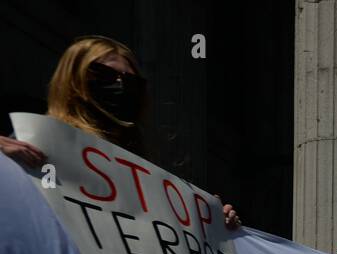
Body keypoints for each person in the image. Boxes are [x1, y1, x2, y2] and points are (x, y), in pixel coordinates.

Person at [1, 35, 241, 229]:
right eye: (104, 75)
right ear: (73, 81)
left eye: (131, 82)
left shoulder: (144, 174)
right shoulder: (34, 144)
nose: (119, 85)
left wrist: (212, 226)